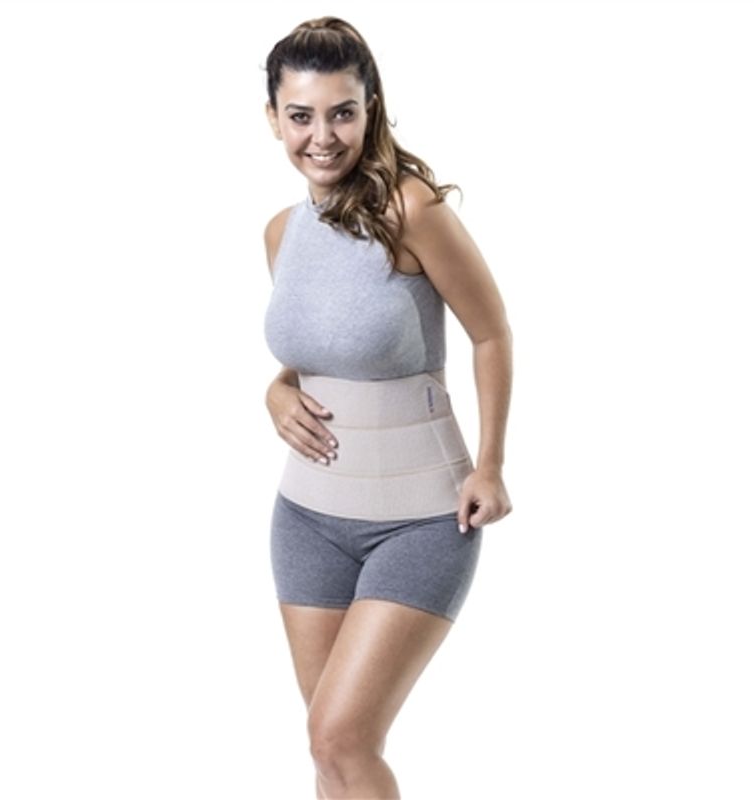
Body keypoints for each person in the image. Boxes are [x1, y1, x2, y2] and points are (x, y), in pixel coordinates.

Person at [261, 16, 513, 800]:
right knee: (330, 749)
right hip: (307, 519)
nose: (323, 136)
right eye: (301, 115)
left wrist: (491, 465)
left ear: (371, 109)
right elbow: (321, 353)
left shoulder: (413, 210)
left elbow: (491, 333)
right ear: (273, 118)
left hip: (422, 518)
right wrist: (275, 389)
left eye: (343, 112)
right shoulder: (280, 234)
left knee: (342, 736)